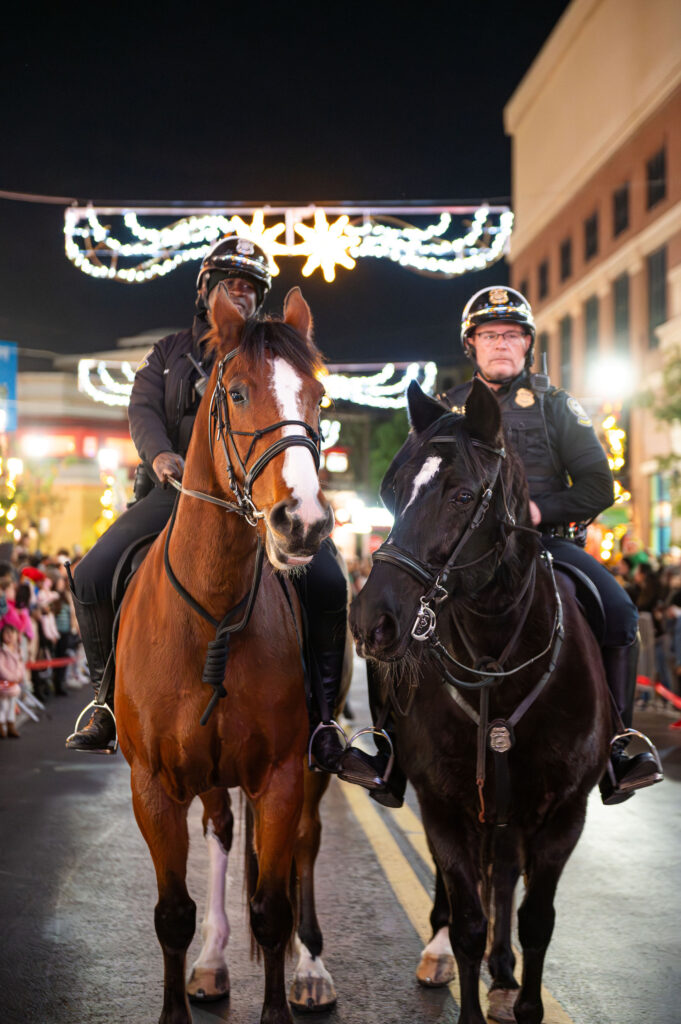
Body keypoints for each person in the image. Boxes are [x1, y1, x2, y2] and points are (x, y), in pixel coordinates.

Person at [65, 236, 379, 789]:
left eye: (251, 286)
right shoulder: (167, 354)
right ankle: (104, 701)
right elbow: (142, 411)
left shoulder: (270, 354)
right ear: (206, 293)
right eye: (229, 284)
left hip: (257, 499)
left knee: (329, 580)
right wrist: (162, 456)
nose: (241, 293)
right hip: (177, 492)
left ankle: (323, 724)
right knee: (92, 570)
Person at [363, 285, 662, 808]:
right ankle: (385, 749)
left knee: (618, 611)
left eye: (511, 334)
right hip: (460, 557)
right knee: (389, 611)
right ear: (471, 345)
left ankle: (619, 747)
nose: (500, 343)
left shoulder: (556, 406)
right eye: (488, 335)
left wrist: (539, 510)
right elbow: (411, 483)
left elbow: (599, 486)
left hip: (543, 546)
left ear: (526, 344)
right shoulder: (445, 410)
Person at [0, 611, 26, 739]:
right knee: (3, 706)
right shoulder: (2, 651)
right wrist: (11, 676)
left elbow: (21, 665)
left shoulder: (18, 650)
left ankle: (11, 725)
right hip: (4, 685)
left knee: (11, 706)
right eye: (7, 633)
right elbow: (1, 667)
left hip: (14, 684)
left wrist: (20, 675)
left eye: (12, 633)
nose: (10, 636)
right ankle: (1, 726)